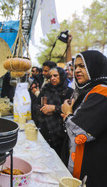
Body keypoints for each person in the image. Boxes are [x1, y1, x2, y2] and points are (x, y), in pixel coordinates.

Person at [61, 50, 107, 186]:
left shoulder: (102, 92)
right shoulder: (87, 91)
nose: (77, 70)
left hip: (92, 167)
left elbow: (79, 131)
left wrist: (67, 113)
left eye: (82, 66)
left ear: (95, 67)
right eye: (75, 67)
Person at [33, 67, 73, 156]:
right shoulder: (46, 89)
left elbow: (71, 111)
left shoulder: (69, 92)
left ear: (62, 76)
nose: (52, 78)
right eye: (50, 76)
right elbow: (35, 105)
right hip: (45, 129)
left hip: (61, 133)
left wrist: (55, 108)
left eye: (55, 75)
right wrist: (43, 109)